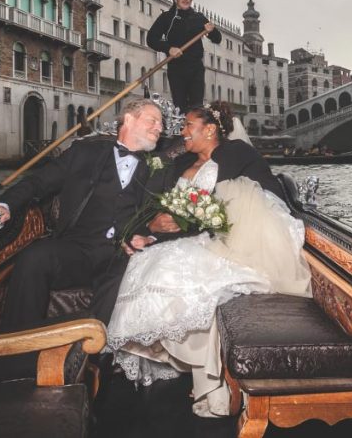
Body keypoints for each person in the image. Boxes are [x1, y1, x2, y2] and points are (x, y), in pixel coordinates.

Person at [106, 101, 310, 418]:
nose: (182, 131)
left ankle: (211, 383)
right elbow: (163, 204)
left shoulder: (237, 154)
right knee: (146, 261)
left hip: (227, 240)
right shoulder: (181, 162)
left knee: (178, 272)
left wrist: (194, 221)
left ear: (210, 129)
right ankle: (189, 366)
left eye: (188, 125)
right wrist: (154, 225)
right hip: (188, 237)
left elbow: (258, 198)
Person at [0, 99, 165, 331]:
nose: (160, 128)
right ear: (129, 119)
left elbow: (165, 219)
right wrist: (6, 205)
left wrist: (148, 238)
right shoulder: (84, 152)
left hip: (124, 255)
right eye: (153, 121)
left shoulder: (161, 168)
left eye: (161, 123)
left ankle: (93, 347)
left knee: (122, 278)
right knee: (35, 257)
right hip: (79, 249)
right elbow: (38, 182)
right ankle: (18, 343)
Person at [147, 0, 222, 113]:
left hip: (196, 69)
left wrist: (212, 30)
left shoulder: (199, 18)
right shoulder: (166, 18)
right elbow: (151, 39)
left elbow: (217, 38)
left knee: (196, 108)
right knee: (180, 108)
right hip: (176, 69)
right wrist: (169, 49)